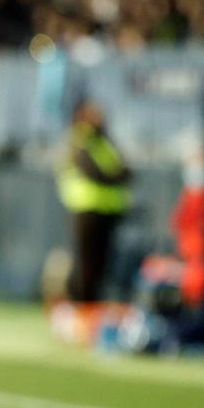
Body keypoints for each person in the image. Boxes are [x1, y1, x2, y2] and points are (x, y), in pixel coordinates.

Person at [57, 99, 131, 302]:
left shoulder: (105, 141)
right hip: (86, 209)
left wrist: (116, 175)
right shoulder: (80, 139)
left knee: (101, 263)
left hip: (108, 211)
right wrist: (115, 176)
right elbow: (94, 172)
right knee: (85, 262)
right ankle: (80, 303)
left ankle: (92, 304)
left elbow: (126, 170)